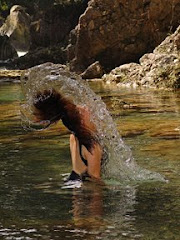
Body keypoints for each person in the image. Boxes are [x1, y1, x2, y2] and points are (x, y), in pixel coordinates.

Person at [32, 88, 103, 185]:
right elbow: (95, 185)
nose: (89, 110)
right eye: (88, 112)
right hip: (84, 188)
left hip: (73, 181)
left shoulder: (74, 137)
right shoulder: (92, 148)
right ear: (82, 121)